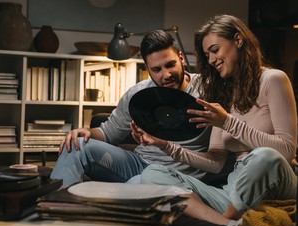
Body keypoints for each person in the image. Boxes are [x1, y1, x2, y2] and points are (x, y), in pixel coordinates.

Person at [132, 14, 298, 226]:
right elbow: (216, 163)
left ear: (238, 40)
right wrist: (165, 146)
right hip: (234, 190)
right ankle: (226, 224)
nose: (211, 60)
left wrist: (227, 122)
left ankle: (224, 222)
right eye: (207, 55)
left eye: (215, 50)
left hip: (276, 178)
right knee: (153, 173)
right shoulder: (224, 93)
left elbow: (286, 150)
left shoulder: (273, 79)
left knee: (263, 156)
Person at [50, 30, 228, 186]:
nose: (166, 75)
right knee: (76, 145)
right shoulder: (138, 92)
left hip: (178, 175)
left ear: (181, 58)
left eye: (170, 65)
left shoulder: (209, 89)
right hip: (138, 163)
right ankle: (55, 208)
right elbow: (108, 133)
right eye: (156, 69)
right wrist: (86, 132)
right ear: (147, 69)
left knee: (139, 182)